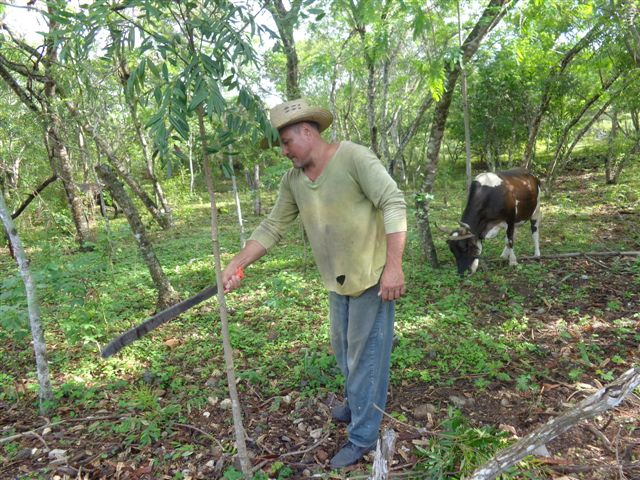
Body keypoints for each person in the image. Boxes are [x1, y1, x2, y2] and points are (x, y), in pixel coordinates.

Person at [222, 98, 407, 469]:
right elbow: (272, 226)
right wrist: (237, 263)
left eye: (288, 143)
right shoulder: (294, 181)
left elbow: (393, 201)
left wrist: (394, 267)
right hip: (337, 282)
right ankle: (357, 403)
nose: (285, 152)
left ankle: (362, 436)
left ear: (307, 132)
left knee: (366, 358)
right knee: (343, 350)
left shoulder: (354, 158)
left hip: (372, 278)